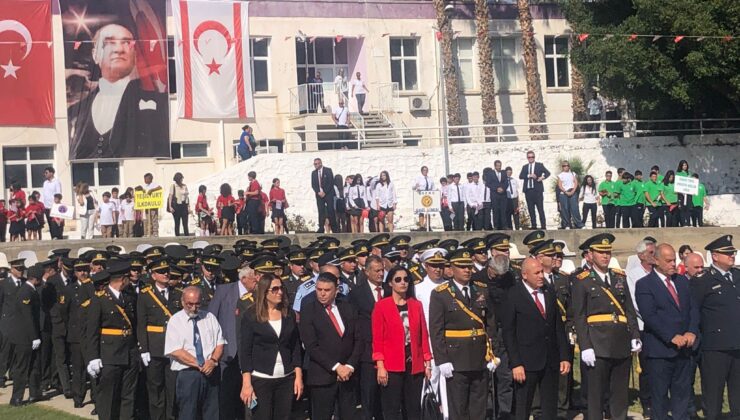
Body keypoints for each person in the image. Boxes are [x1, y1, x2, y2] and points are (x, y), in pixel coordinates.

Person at [68, 24, 168, 159]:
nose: (119, 49)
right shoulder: (76, 111)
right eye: (109, 42)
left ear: (135, 54)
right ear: (95, 55)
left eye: (126, 42)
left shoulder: (158, 103)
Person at [571, 234, 641, 420]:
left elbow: (629, 309)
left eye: (608, 252)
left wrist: (635, 334)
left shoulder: (619, 276)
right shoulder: (582, 279)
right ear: (590, 254)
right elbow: (579, 316)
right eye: (600, 252)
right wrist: (585, 346)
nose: (605, 256)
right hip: (597, 343)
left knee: (619, 392)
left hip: (620, 341)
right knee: (595, 394)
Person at [429, 248, 498, 420]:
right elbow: (436, 330)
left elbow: (490, 324)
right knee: (458, 408)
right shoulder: (441, 294)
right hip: (455, 358)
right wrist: (442, 360)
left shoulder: (481, 290)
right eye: (462, 266)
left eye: (468, 266)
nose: (467, 270)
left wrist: (493, 354)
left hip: (480, 357)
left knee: (479, 406)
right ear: (451, 269)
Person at [635, 244, 699, 420]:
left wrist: (691, 331)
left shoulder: (682, 281)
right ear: (655, 260)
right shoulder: (644, 285)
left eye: (675, 260)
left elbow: (693, 309)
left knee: (682, 396)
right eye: (668, 260)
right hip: (660, 351)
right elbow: (650, 316)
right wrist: (671, 336)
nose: (673, 264)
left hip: (684, 349)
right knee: (660, 398)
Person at [501, 258, 570, 420]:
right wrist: (516, 363)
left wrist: (564, 356)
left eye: (541, 272)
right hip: (526, 362)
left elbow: (557, 326)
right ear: (524, 275)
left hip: (550, 360)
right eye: (537, 273)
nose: (541, 276)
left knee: (549, 406)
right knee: (523, 406)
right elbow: (509, 333)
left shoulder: (548, 291)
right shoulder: (513, 295)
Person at [298, 272, 362, 420]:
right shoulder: (309, 310)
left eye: (327, 290)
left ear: (336, 290)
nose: (322, 294)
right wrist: (336, 367)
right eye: (319, 289)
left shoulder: (347, 308)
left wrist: (350, 366)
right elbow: (311, 345)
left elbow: (358, 339)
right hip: (322, 376)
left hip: (348, 376)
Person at [239, 274, 303, 420]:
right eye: (274, 289)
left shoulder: (289, 314)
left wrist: (298, 377)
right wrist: (246, 383)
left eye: (281, 288)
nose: (279, 292)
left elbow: (295, 347)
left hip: (286, 377)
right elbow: (246, 352)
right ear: (264, 292)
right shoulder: (251, 316)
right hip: (261, 377)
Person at [372, 266, 432, 420]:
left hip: (414, 364)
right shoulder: (381, 306)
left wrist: (427, 361)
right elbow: (377, 339)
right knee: (391, 409)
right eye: (398, 279)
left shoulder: (415, 304)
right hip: (391, 365)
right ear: (390, 283)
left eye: (406, 279)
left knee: (413, 409)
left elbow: (423, 335)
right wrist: (380, 366)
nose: (403, 283)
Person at [690, 235, 740, 420]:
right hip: (715, 346)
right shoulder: (703, 279)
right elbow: (693, 310)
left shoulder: (737, 275)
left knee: (737, 394)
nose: (732, 256)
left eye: (732, 253)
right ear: (715, 256)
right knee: (713, 394)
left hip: (737, 343)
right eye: (727, 253)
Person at [85, 262, 140, 420]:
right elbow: (92, 331)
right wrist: (93, 357)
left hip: (129, 352)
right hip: (110, 354)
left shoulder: (129, 297)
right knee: (108, 397)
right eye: (128, 278)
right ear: (122, 279)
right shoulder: (100, 299)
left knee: (128, 395)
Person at [164, 286, 225, 420]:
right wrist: (199, 364)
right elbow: (176, 350)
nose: (193, 308)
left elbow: (220, 343)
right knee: (188, 414)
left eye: (197, 304)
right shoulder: (175, 321)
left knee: (212, 413)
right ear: (182, 302)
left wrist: (213, 361)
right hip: (188, 374)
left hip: (211, 372)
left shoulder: (210, 318)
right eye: (189, 304)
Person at [209, 266, 259, 420]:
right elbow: (212, 319)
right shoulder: (224, 291)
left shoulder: (258, 294)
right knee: (227, 396)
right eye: (254, 278)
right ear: (244, 279)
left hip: (250, 353)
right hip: (228, 354)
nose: (257, 280)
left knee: (248, 397)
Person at [137, 258, 183, 420]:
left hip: (173, 348)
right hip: (154, 347)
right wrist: (144, 349)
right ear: (153, 275)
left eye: (167, 271)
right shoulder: (145, 295)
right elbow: (141, 325)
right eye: (161, 272)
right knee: (155, 388)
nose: (165, 274)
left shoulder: (177, 293)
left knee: (172, 387)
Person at [8, 264, 43, 406]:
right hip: (24, 337)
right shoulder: (26, 292)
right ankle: (16, 398)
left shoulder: (30, 290)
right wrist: (34, 336)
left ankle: (35, 393)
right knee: (21, 368)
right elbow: (27, 316)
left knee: (34, 366)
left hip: (30, 336)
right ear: (36, 279)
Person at [519, 151, 551, 230]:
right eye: (529, 157)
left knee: (540, 208)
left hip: (537, 191)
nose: (531, 158)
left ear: (534, 157)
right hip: (528, 191)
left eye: (532, 157)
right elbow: (521, 176)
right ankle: (534, 225)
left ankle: (543, 226)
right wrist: (529, 175)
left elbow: (547, 173)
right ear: (527, 158)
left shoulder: (539, 165)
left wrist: (541, 178)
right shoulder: (525, 167)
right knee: (531, 209)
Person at [311, 158, 338, 233]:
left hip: (328, 193)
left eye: (317, 164)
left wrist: (325, 192)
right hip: (319, 194)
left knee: (330, 210)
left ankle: (334, 228)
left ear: (320, 163)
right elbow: (313, 184)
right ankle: (321, 227)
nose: (315, 165)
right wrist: (318, 192)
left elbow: (331, 182)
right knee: (321, 210)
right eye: (314, 164)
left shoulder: (328, 170)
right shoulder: (313, 173)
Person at [557, 160, 584, 229]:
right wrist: (566, 192)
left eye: (567, 165)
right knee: (565, 209)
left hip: (572, 192)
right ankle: (567, 224)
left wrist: (573, 191)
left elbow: (576, 183)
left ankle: (579, 224)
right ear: (562, 167)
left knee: (575, 208)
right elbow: (560, 185)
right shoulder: (560, 175)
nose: (566, 167)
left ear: (569, 166)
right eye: (564, 166)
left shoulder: (572, 173)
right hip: (564, 193)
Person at [42, 167, 62, 239]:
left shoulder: (56, 182)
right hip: (47, 207)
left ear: (51, 173)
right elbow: (44, 195)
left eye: (46, 173)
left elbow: (58, 194)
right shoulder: (45, 183)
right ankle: (53, 238)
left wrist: (55, 206)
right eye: (45, 173)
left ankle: (58, 238)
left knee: (56, 224)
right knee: (50, 225)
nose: (45, 174)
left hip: (54, 207)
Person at [412, 166, 435, 231]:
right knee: (421, 211)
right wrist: (416, 186)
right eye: (424, 170)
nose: (425, 171)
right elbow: (413, 187)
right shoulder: (418, 178)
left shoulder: (430, 179)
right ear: (422, 171)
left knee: (428, 211)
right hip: (421, 196)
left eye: (426, 170)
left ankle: (428, 225)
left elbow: (433, 187)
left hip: (428, 196)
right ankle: (421, 226)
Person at [168, 172, 190, 237]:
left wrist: (188, 207)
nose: (181, 180)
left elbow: (187, 197)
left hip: (184, 205)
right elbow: (170, 196)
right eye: (180, 179)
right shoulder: (173, 186)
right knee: (177, 223)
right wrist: (170, 207)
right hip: (176, 206)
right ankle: (177, 237)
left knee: (185, 223)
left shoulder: (184, 186)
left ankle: (187, 236)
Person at [142, 173, 162, 237]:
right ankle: (149, 232)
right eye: (144, 179)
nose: (145, 180)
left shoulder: (154, 185)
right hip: (147, 206)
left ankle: (155, 232)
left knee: (154, 218)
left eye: (146, 179)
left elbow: (160, 188)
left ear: (150, 179)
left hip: (153, 205)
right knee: (148, 219)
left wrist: (152, 190)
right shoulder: (145, 186)